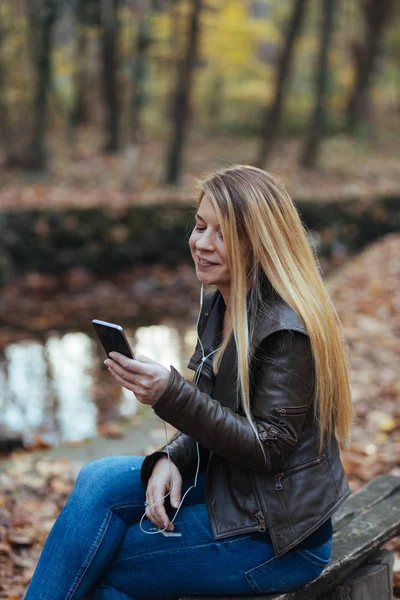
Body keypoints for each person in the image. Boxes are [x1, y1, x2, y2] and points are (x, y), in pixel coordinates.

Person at [24, 165, 353, 600]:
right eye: (199, 226)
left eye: (221, 234)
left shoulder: (285, 329)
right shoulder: (222, 301)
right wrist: (172, 458)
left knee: (104, 569)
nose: (201, 243)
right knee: (99, 478)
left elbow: (268, 448)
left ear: (260, 244)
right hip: (234, 487)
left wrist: (168, 393)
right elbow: (217, 412)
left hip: (280, 536)